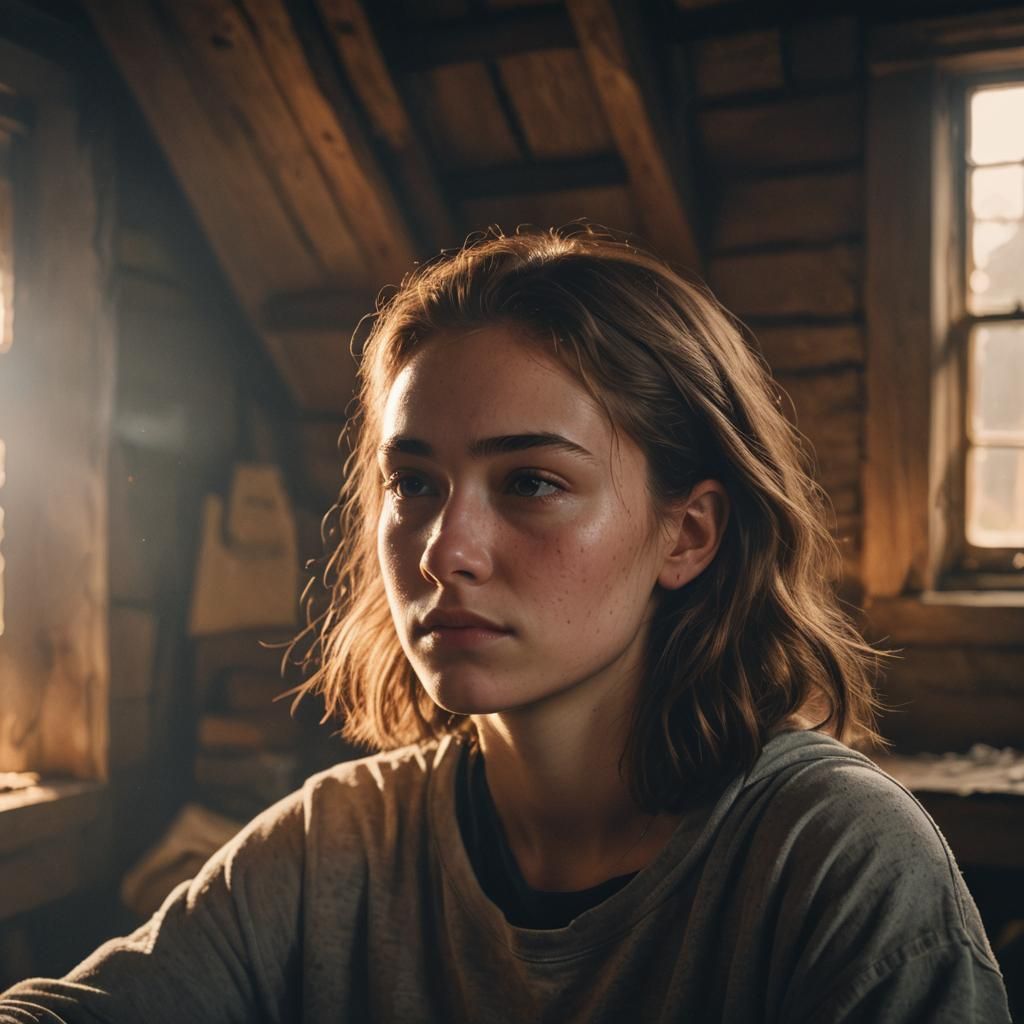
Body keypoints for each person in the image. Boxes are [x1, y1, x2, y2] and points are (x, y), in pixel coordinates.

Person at [0, 227, 1011, 1022]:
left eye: (530, 481)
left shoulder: (834, 862)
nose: (445, 548)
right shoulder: (337, 843)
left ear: (687, 534)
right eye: (414, 482)